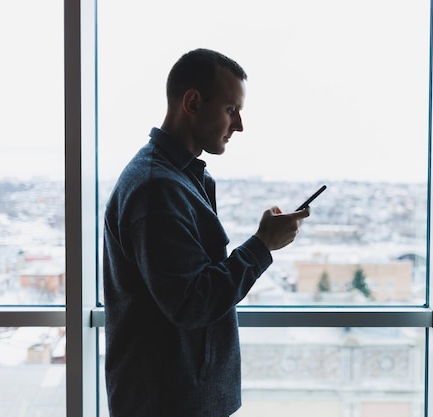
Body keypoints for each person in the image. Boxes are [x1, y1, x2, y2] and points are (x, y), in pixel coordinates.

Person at [103, 48, 310, 417]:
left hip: (180, 397)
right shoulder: (157, 188)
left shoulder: (178, 179)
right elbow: (191, 302)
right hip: (168, 403)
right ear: (193, 103)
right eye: (232, 110)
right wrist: (263, 245)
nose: (240, 125)